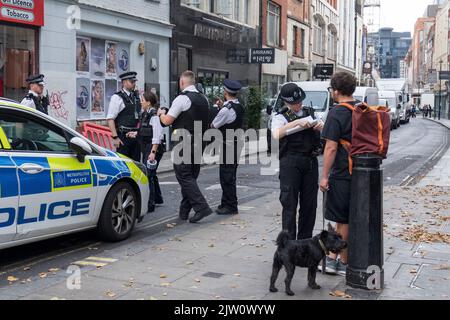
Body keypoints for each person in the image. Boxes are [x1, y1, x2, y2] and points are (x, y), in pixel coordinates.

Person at [271, 83, 324, 241]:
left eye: (300, 101)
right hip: (290, 162)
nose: (298, 105)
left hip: (309, 161)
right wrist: (296, 123)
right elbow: (276, 134)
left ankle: (304, 241)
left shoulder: (310, 112)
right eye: (294, 103)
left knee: (309, 204)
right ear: (286, 102)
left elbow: (324, 127)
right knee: (289, 204)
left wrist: (320, 126)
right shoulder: (280, 116)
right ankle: (288, 243)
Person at [159, 70, 213, 224]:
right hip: (200, 139)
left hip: (185, 140)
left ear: (182, 83)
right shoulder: (204, 99)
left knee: (183, 174)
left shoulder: (182, 99)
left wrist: (160, 114)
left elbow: (167, 121)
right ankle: (184, 211)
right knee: (191, 175)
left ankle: (201, 208)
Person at [319, 71, 358, 276]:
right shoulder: (361, 108)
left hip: (343, 172)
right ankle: (338, 259)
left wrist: (324, 175)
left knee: (342, 218)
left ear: (336, 91)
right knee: (348, 218)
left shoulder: (337, 113)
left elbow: (331, 148)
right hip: (361, 173)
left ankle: (340, 262)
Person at [211, 79, 246, 216]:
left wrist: (219, 110)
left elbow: (214, 125)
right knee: (230, 175)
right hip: (236, 143)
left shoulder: (226, 110)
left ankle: (231, 205)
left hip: (228, 145)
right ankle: (225, 202)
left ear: (225, 92)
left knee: (226, 176)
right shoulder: (239, 107)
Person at [128, 92, 165, 213]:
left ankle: (150, 204)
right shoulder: (145, 114)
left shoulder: (154, 116)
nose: (141, 101)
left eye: (142, 100)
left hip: (154, 148)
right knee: (151, 173)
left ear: (148, 102)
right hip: (147, 147)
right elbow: (144, 131)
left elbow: (157, 136)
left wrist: (153, 152)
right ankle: (158, 198)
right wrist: (135, 134)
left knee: (148, 175)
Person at [107, 71, 141, 162]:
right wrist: (115, 137)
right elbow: (110, 119)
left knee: (136, 163)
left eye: (134, 82)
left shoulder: (136, 97)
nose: (134, 84)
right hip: (123, 137)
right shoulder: (117, 97)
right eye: (132, 82)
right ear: (124, 82)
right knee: (124, 164)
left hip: (136, 136)